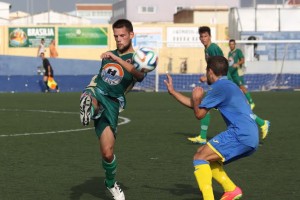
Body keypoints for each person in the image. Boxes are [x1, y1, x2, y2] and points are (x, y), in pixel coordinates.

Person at [164, 55, 259, 200]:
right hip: (250, 136)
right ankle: (231, 190)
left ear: (210, 71)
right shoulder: (228, 85)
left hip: (240, 134)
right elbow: (199, 106)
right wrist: (173, 92)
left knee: (199, 157)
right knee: (205, 154)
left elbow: (199, 114)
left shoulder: (219, 87)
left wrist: (196, 98)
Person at [79, 19, 145, 200]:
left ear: (131, 35)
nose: (119, 39)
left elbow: (139, 76)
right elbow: (100, 78)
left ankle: (110, 183)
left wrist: (116, 58)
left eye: (122, 35)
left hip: (113, 104)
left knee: (107, 153)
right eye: (116, 36)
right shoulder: (109, 55)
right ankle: (90, 106)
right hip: (97, 90)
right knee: (90, 95)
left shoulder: (139, 58)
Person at [187, 26, 223, 144]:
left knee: (204, 106)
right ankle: (261, 123)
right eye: (201, 36)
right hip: (218, 83)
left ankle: (202, 137)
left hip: (222, 83)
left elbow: (221, 65)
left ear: (210, 36)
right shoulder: (206, 49)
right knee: (231, 109)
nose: (203, 39)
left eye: (205, 36)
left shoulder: (213, 48)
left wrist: (207, 77)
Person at [228, 39, 255, 109]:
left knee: (242, 87)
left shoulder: (238, 51)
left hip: (237, 73)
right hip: (231, 74)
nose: (231, 45)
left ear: (235, 44)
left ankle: (251, 102)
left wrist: (237, 64)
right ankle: (235, 103)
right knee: (232, 88)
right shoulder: (229, 53)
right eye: (230, 44)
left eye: (232, 44)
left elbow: (242, 60)